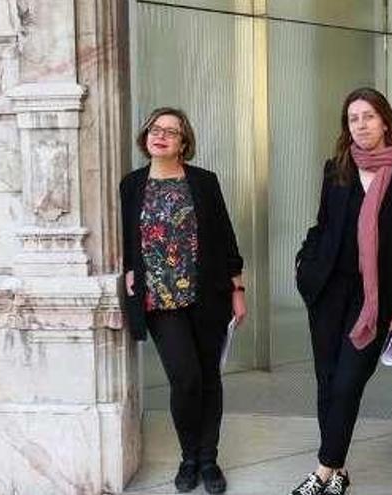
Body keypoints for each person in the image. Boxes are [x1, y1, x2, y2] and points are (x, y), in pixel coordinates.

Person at [292, 88, 392, 495]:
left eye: (368, 116)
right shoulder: (337, 168)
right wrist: (304, 262)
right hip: (328, 291)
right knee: (328, 382)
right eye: (353, 118)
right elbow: (322, 225)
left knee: (349, 382)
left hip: (375, 298)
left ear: (385, 120)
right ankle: (340, 471)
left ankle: (322, 471)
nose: (361, 124)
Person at [120, 107, 247, 494]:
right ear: (146, 138)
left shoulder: (204, 182)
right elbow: (127, 235)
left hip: (207, 294)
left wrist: (238, 290)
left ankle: (207, 460)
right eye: (155, 130)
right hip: (159, 299)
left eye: (171, 132)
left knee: (209, 377)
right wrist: (128, 269)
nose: (161, 136)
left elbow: (225, 236)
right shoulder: (132, 184)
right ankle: (188, 455)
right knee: (185, 379)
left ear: (183, 143)